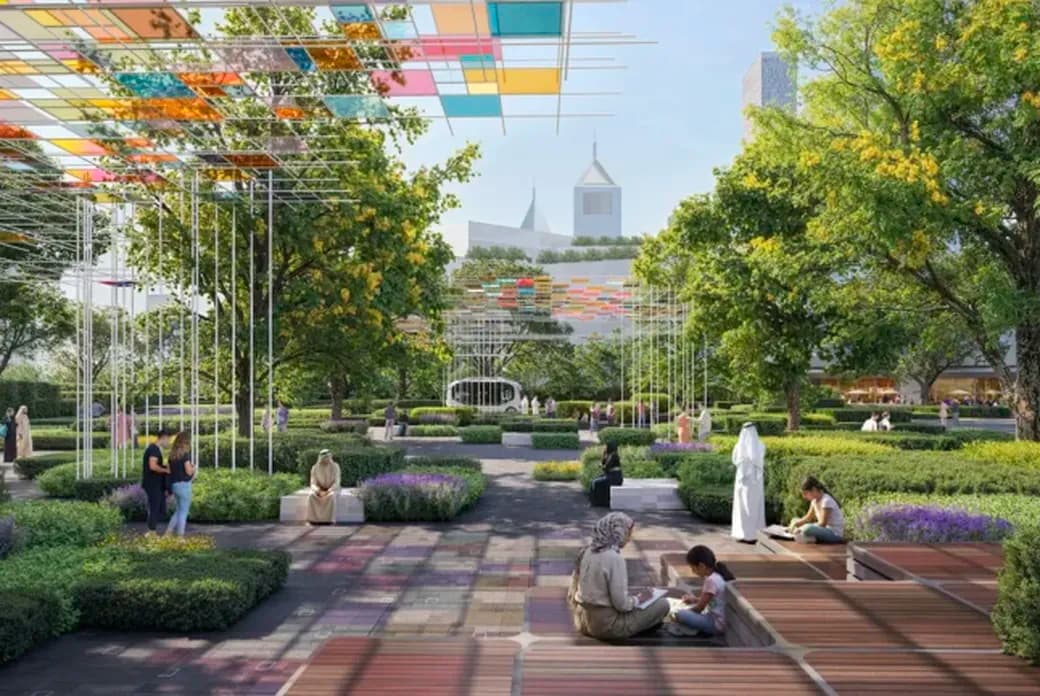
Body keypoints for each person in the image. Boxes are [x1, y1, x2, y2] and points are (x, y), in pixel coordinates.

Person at [567, 512, 670, 640]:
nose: (629, 538)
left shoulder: (586, 551)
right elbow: (621, 605)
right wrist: (639, 600)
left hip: (581, 621)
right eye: (628, 533)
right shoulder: (614, 558)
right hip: (606, 626)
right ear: (618, 532)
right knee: (663, 604)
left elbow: (572, 593)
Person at [672, 545, 735, 637]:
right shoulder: (718, 576)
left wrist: (685, 612)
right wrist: (695, 599)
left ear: (701, 566)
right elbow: (712, 599)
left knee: (680, 614)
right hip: (720, 621)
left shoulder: (711, 581)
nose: (693, 572)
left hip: (715, 624)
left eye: (693, 568)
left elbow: (699, 608)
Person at [731, 422, 765, 543]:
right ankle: (743, 534)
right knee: (743, 507)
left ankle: (751, 535)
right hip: (745, 481)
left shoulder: (740, 446)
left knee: (749, 507)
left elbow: (735, 460)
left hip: (751, 481)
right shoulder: (760, 446)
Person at [788, 475, 845, 544]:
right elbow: (808, 517)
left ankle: (807, 537)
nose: (804, 497)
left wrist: (802, 528)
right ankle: (802, 536)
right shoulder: (814, 501)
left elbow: (822, 524)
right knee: (794, 520)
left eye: (805, 493)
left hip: (834, 534)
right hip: (824, 530)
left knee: (807, 528)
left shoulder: (826, 501)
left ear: (814, 489)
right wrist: (796, 524)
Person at [165, 431, 195, 537]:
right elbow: (188, 472)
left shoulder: (171, 456)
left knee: (178, 511)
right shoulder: (185, 455)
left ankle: (168, 533)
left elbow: (169, 471)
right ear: (186, 442)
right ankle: (180, 536)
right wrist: (194, 468)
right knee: (183, 512)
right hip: (184, 486)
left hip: (174, 485)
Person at [141, 429, 172, 532]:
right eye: (168, 440)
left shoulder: (155, 449)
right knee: (155, 507)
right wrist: (165, 470)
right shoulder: (153, 449)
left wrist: (164, 467)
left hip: (156, 483)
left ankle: (151, 529)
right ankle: (151, 531)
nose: (169, 442)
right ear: (164, 438)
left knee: (160, 507)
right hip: (152, 484)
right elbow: (153, 466)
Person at [307, 449, 341, 524]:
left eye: (328, 457)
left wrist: (329, 490)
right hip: (319, 490)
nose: (326, 459)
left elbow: (337, 482)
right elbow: (313, 483)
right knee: (311, 496)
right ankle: (313, 520)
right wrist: (318, 490)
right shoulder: (315, 468)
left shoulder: (335, 467)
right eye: (325, 457)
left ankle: (329, 520)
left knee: (331, 497)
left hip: (332, 489)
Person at [590, 442, 623, 507]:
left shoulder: (614, 455)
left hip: (615, 477)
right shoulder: (609, 455)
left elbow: (607, 467)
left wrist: (602, 466)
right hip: (610, 475)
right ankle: (597, 502)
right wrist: (604, 455)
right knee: (595, 480)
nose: (605, 448)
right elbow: (604, 464)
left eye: (606, 446)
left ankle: (597, 502)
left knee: (595, 482)